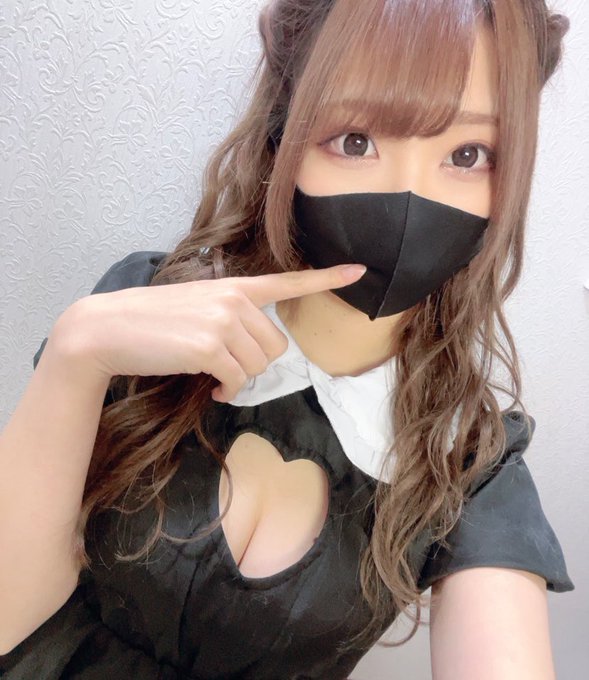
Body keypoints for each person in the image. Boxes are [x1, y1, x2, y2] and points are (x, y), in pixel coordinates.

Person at [0, 0, 575, 678]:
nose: (407, 198)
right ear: (287, 134)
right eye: (355, 141)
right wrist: (75, 355)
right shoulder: (145, 310)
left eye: (468, 154)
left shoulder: (469, 460)